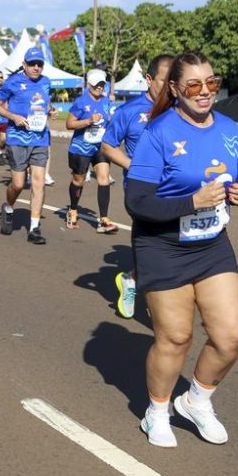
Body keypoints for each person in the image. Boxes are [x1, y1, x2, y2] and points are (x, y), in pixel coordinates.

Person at [124, 51, 238, 448]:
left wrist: (237, 192)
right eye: (194, 85)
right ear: (176, 89)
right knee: (175, 337)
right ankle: (156, 412)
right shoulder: (158, 132)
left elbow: (232, 177)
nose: (205, 91)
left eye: (211, 82)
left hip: (211, 244)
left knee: (232, 335)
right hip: (162, 245)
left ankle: (196, 400)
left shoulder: (229, 129)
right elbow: (137, 202)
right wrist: (192, 202)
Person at [102, 54, 174, 318]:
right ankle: (162, 310)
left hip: (175, 189)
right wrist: (134, 167)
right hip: (142, 191)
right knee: (157, 247)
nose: (169, 87)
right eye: (164, 81)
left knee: (171, 246)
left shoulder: (179, 109)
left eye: (174, 81)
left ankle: (131, 279)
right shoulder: (129, 111)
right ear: (149, 79)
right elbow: (108, 145)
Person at [0, 47, 53, 244]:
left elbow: (45, 104)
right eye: (32, 64)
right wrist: (13, 116)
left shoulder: (46, 82)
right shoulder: (13, 82)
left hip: (40, 138)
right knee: (18, 184)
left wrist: (51, 110)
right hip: (18, 139)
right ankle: (9, 207)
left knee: (38, 182)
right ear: (24, 65)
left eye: (39, 64)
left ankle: (34, 228)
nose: (36, 67)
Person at [65, 68, 119, 233]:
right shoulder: (81, 102)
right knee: (78, 181)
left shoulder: (106, 101)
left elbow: (108, 121)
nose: (99, 87)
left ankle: (103, 220)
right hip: (81, 147)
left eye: (102, 84)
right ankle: (73, 210)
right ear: (89, 85)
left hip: (99, 147)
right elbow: (69, 124)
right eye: (96, 85)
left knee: (104, 178)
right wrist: (88, 121)